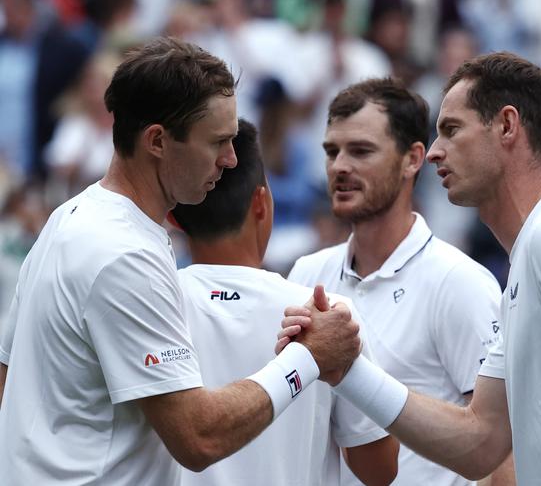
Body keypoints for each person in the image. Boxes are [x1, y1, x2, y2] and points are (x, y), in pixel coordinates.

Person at [0, 37, 360, 485]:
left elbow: (7, 377)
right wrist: (307, 359)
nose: (230, 160)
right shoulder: (124, 254)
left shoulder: (68, 218)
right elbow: (198, 438)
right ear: (157, 141)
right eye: (218, 142)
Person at [281, 52, 541, 486]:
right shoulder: (530, 258)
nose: (435, 152)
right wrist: (349, 370)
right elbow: (479, 443)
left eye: (451, 130)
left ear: (507, 126)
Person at [287, 77, 511, 485]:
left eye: (360, 151)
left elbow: (500, 456)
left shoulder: (460, 282)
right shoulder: (306, 274)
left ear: (413, 159)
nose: (339, 166)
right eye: (331, 151)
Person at [170, 118, 399, 486]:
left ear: (173, 218)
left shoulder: (149, 305)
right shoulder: (326, 316)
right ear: (262, 202)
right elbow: (380, 470)